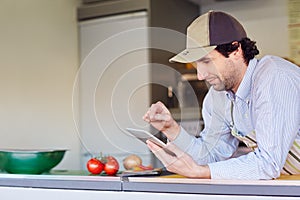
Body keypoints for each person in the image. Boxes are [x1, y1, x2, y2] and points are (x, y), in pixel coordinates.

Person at [143, 10, 300, 180]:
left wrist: (202, 172)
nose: (201, 75)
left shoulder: (274, 77)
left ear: (235, 50)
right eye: (197, 63)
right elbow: (210, 155)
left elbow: (269, 163)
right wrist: (171, 129)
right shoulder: (218, 97)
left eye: (206, 61)